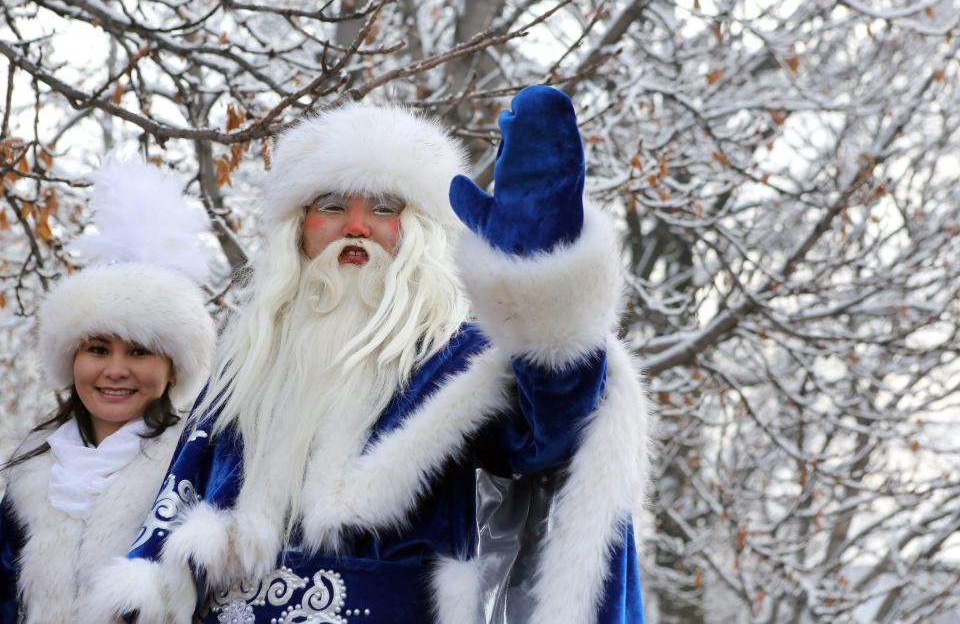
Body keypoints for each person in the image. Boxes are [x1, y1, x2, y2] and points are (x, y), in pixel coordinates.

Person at [96, 85, 650, 624]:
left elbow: (556, 429)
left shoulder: (465, 360)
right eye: (333, 206)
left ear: (418, 232)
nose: (356, 226)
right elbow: (175, 512)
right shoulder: (248, 369)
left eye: (384, 208)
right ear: (300, 229)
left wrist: (542, 281)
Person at [0, 161, 216, 624]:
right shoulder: (33, 468)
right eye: (98, 348)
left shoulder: (197, 465)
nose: (115, 371)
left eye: (140, 352)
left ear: (173, 368)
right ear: (71, 358)